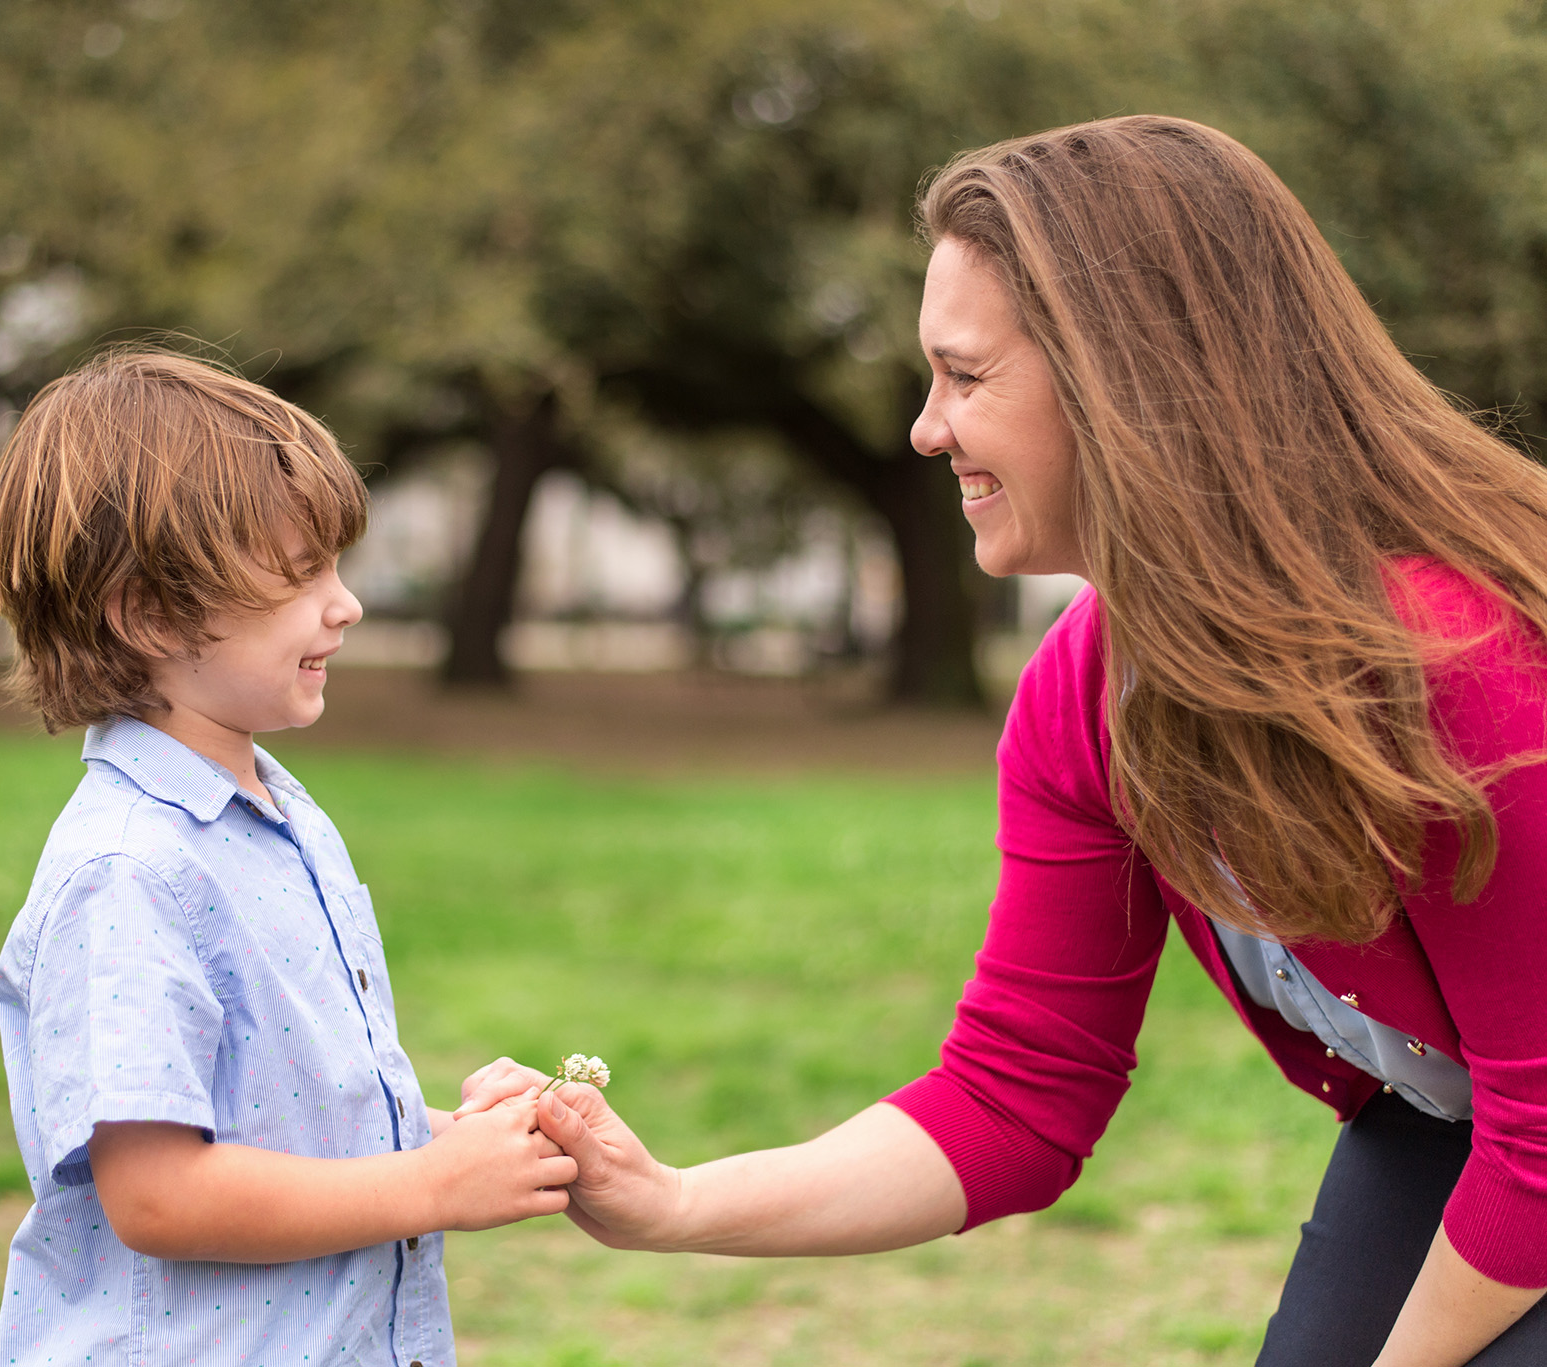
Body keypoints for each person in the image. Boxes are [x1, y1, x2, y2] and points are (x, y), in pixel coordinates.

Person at [470, 116, 1547, 1366]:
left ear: (1129, 381)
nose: (925, 430)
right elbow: (1017, 1090)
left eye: (965, 377)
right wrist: (675, 1202)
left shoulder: (1454, 658)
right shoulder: (1087, 689)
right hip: (1460, 1127)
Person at [0, 349, 576, 1367]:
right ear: (150, 612)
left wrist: (470, 1137)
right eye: (301, 574)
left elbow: (289, 1122)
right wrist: (431, 1186)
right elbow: (160, 1192)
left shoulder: (274, 810)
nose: (344, 604)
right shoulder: (128, 870)